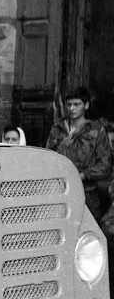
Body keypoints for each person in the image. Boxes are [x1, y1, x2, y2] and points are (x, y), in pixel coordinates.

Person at [46, 86, 112, 223]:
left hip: (86, 193)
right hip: (59, 190)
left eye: (77, 104)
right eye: (69, 104)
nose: (72, 108)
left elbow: (105, 165)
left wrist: (83, 175)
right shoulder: (58, 128)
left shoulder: (96, 131)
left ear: (86, 105)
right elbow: (47, 156)